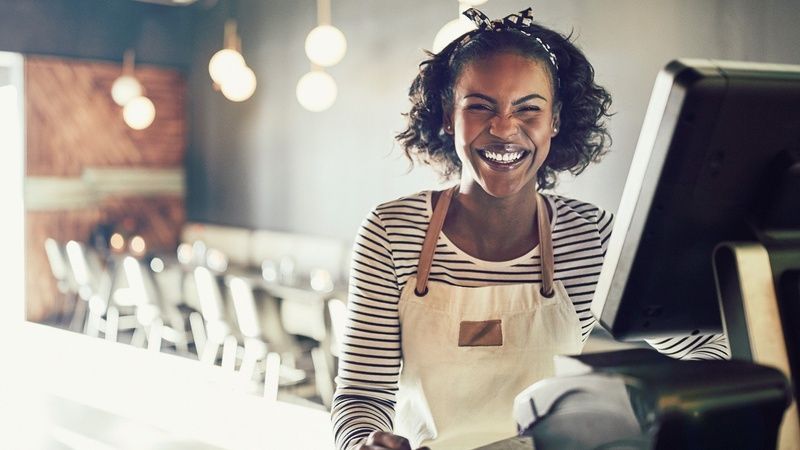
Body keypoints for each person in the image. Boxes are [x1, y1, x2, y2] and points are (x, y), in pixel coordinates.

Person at [331, 7, 729, 450]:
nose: (504, 129)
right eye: (480, 106)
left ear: (555, 120)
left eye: (528, 109)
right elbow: (361, 396)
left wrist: (652, 414)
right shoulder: (391, 231)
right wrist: (364, 442)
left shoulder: (590, 237)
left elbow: (710, 349)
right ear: (448, 116)